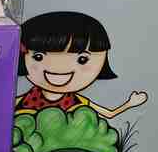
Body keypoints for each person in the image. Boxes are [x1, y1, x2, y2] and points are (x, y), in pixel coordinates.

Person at [16, 11, 147, 118]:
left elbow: (109, 114)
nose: (60, 68)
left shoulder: (79, 103)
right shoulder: (24, 100)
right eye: (38, 57)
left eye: (82, 59)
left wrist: (130, 104)